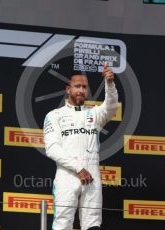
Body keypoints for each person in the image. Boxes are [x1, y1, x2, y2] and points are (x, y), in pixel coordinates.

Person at [43, 64, 118, 230]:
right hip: (66, 176)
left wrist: (110, 84)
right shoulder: (54, 115)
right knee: (63, 224)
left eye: (84, 87)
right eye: (77, 86)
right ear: (68, 89)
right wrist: (78, 168)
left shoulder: (94, 114)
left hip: (92, 176)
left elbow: (112, 107)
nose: (81, 90)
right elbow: (52, 148)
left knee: (93, 224)